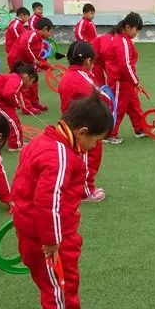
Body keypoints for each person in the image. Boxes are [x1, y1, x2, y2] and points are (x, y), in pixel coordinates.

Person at [11, 93, 113, 309]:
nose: (94, 146)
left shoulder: (45, 142)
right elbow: (48, 201)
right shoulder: (59, 157)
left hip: (42, 230)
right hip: (47, 237)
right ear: (82, 131)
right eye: (95, 140)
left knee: (62, 280)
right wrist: (52, 240)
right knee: (59, 283)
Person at [58, 41, 114, 202]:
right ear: (88, 61)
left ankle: (78, 186)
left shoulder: (68, 76)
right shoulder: (81, 78)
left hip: (71, 122)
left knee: (77, 157)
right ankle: (85, 190)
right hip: (85, 126)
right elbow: (100, 98)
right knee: (88, 158)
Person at [104, 12, 146, 144]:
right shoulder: (121, 41)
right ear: (128, 27)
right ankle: (109, 133)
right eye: (136, 30)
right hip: (119, 81)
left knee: (134, 104)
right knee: (117, 107)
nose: (137, 33)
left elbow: (128, 65)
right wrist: (135, 81)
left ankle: (139, 128)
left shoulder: (125, 40)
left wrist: (134, 81)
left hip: (126, 80)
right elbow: (125, 65)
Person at [8, 17, 53, 113]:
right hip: (17, 61)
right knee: (25, 85)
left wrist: (46, 65)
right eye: (50, 31)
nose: (50, 34)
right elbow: (24, 47)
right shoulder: (31, 34)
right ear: (45, 29)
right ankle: (27, 107)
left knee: (34, 83)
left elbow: (37, 57)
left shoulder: (40, 40)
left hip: (27, 63)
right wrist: (35, 61)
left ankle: (34, 103)